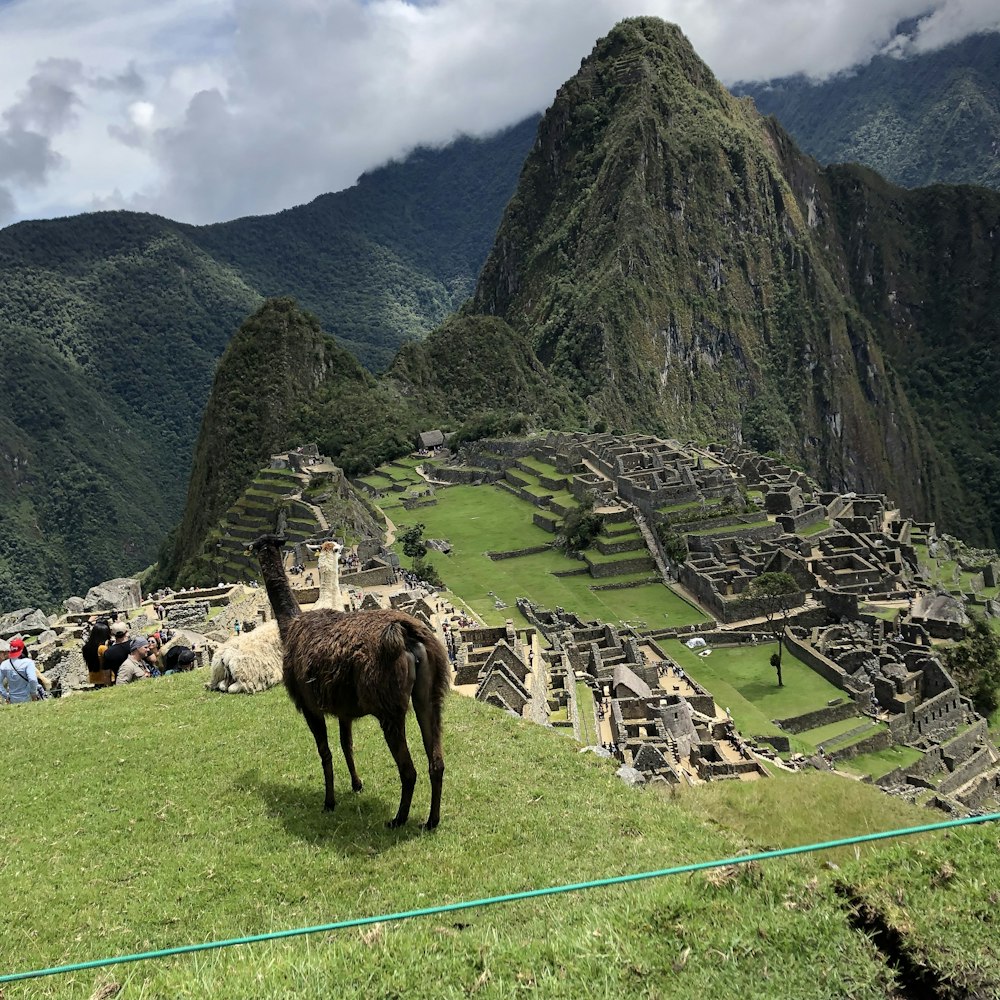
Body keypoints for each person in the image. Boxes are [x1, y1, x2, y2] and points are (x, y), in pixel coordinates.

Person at [1, 638, 41, 704]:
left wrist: (6, 695)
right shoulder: (28, 662)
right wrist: (33, 693)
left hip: (13, 699)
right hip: (28, 697)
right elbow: (32, 680)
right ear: (22, 649)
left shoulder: (4, 665)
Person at [82, 620, 113, 687]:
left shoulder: (86, 647)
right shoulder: (103, 648)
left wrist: (88, 622)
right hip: (106, 677)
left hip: (94, 677)